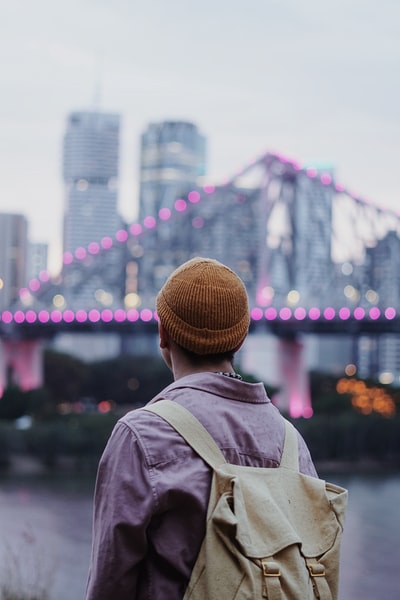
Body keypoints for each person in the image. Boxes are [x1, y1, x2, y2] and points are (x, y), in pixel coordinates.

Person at [85, 257, 317, 600]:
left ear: (163, 333)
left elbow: (111, 581)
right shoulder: (290, 442)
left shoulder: (141, 435)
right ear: (240, 338)